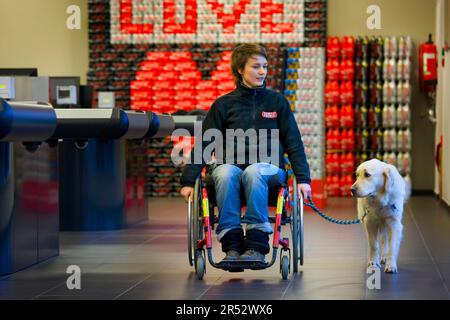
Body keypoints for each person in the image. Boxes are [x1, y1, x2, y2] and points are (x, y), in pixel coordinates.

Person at [179, 43, 311, 263]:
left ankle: (257, 245)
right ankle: (232, 245)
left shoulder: (277, 102)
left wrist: (303, 179)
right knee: (224, 173)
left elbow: (294, 143)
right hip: (230, 169)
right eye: (256, 66)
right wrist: (187, 180)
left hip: (269, 172)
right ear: (240, 69)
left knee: (254, 171)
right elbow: (205, 144)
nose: (262, 72)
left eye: (265, 66)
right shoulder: (223, 104)